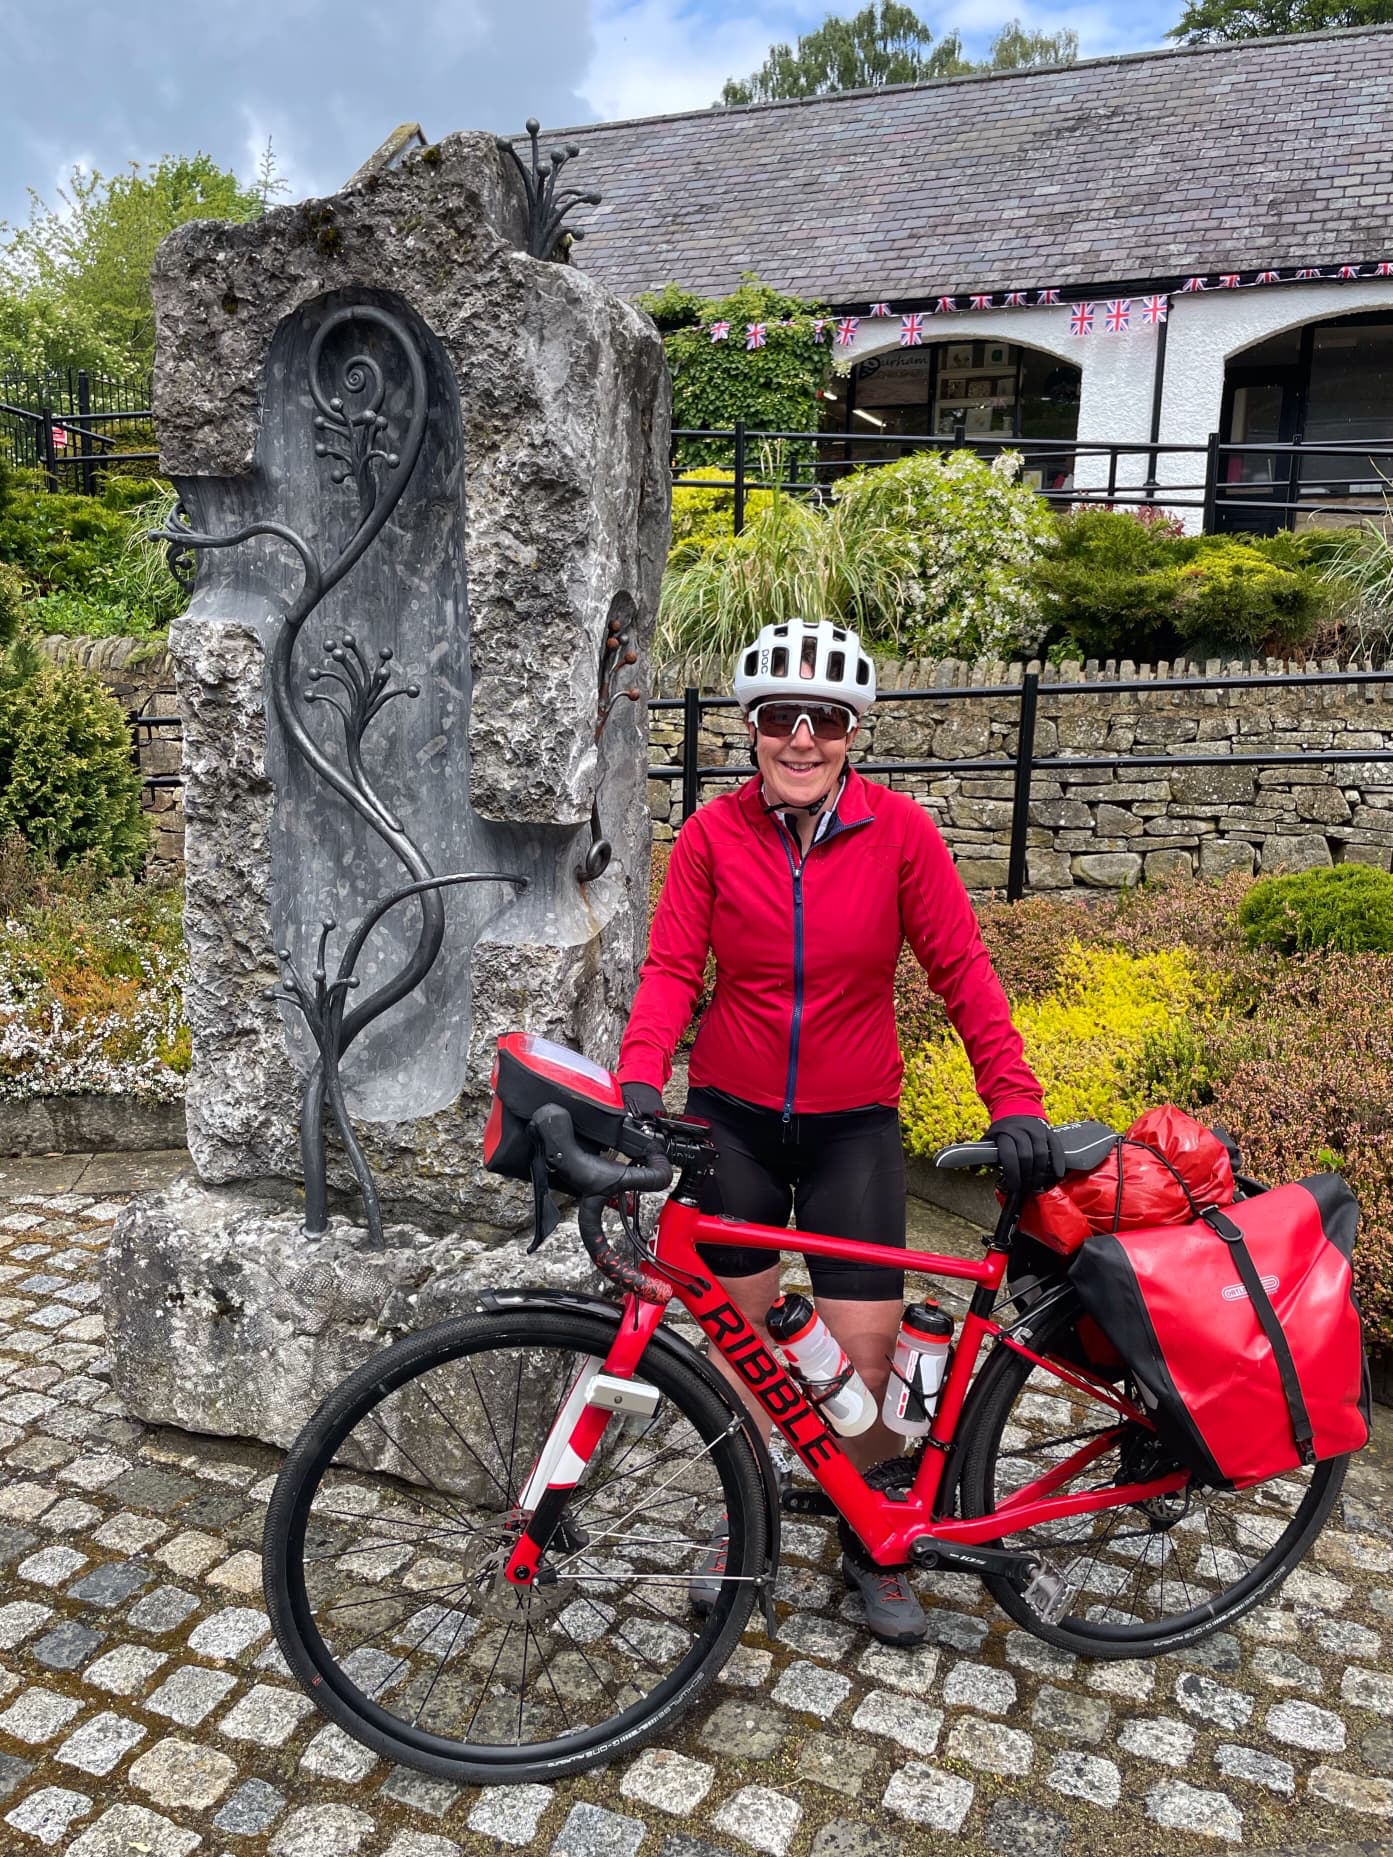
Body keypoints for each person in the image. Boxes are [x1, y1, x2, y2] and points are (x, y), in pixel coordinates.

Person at [617, 617, 1061, 1645]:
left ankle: (874, 1540)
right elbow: (673, 969)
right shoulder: (711, 837)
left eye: (824, 719)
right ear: (752, 727)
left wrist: (1013, 1099)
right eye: (781, 717)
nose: (802, 738)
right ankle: (745, 1520)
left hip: (852, 1127)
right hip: (729, 1121)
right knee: (744, 1355)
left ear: (852, 732)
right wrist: (640, 1080)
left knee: (862, 1366)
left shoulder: (898, 834)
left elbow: (962, 973)